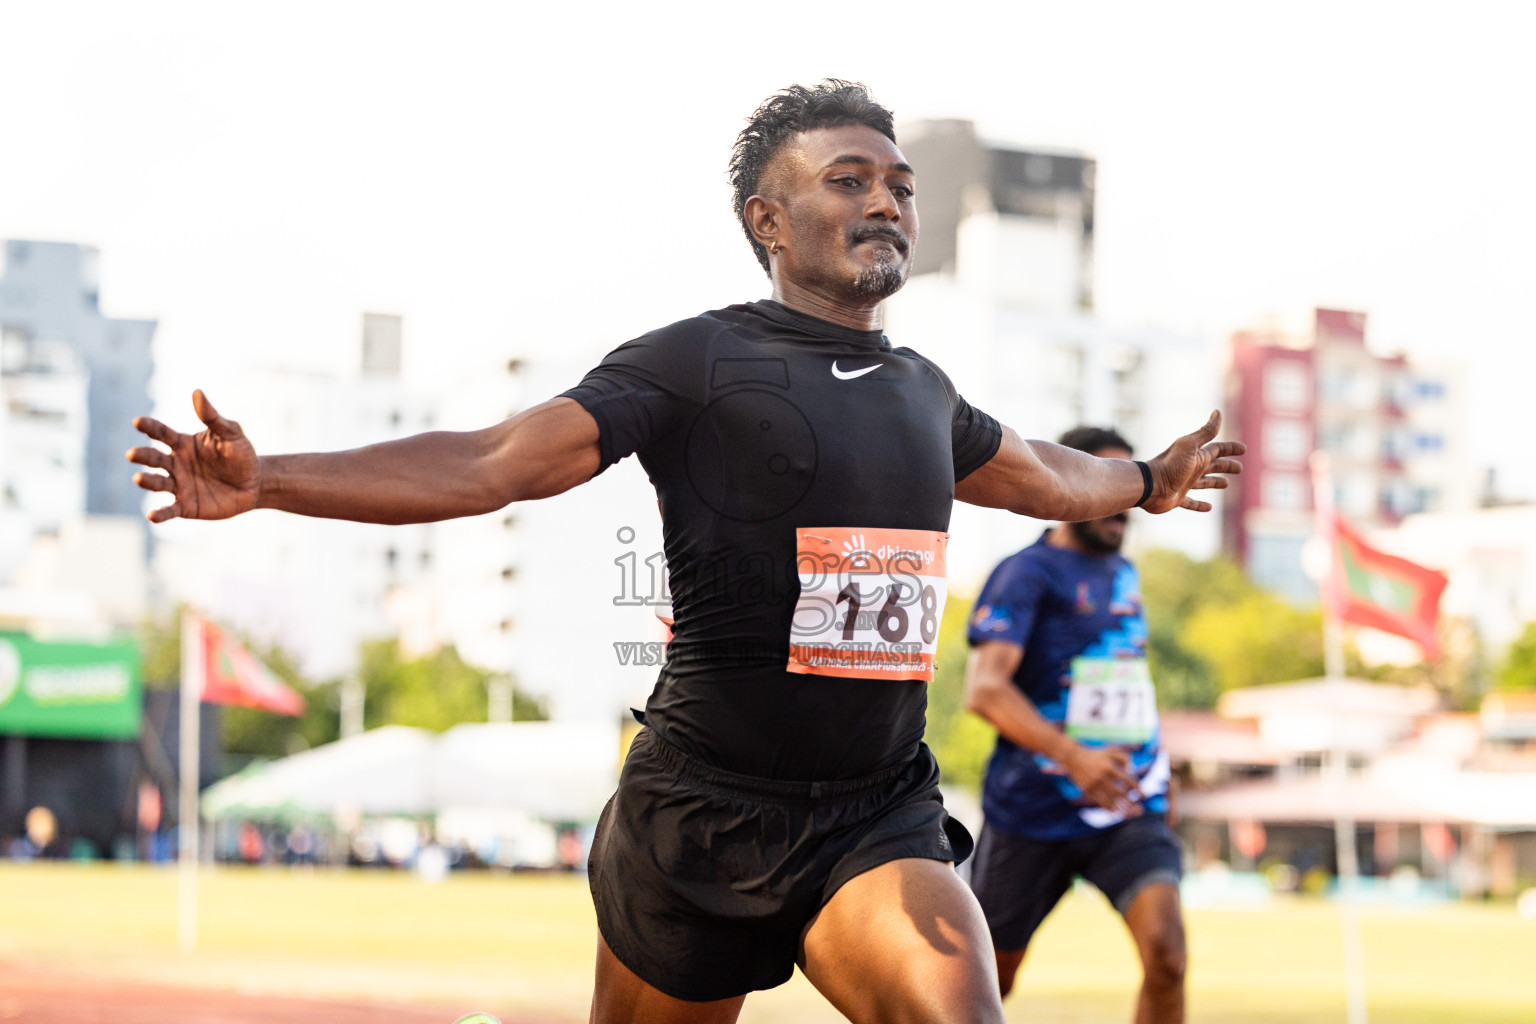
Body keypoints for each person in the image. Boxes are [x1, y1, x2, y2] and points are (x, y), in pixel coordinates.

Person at [127, 81, 1240, 1024]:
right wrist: (271, 480)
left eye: (901, 185)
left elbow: (1044, 474)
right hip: (701, 814)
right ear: (769, 220)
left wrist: (1149, 479)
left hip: (874, 813)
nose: (887, 202)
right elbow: (494, 462)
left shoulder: (924, 392)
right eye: (849, 180)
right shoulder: (694, 362)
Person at [964, 426, 1187, 1023]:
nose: (1126, 502)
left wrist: (1160, 767)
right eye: (1112, 484)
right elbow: (985, 690)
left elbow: (1124, 677)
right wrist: (1074, 757)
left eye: (1133, 488)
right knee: (984, 986)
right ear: (1074, 487)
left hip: (1128, 803)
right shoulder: (1025, 573)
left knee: (1167, 955)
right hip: (1033, 809)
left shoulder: (1126, 574)